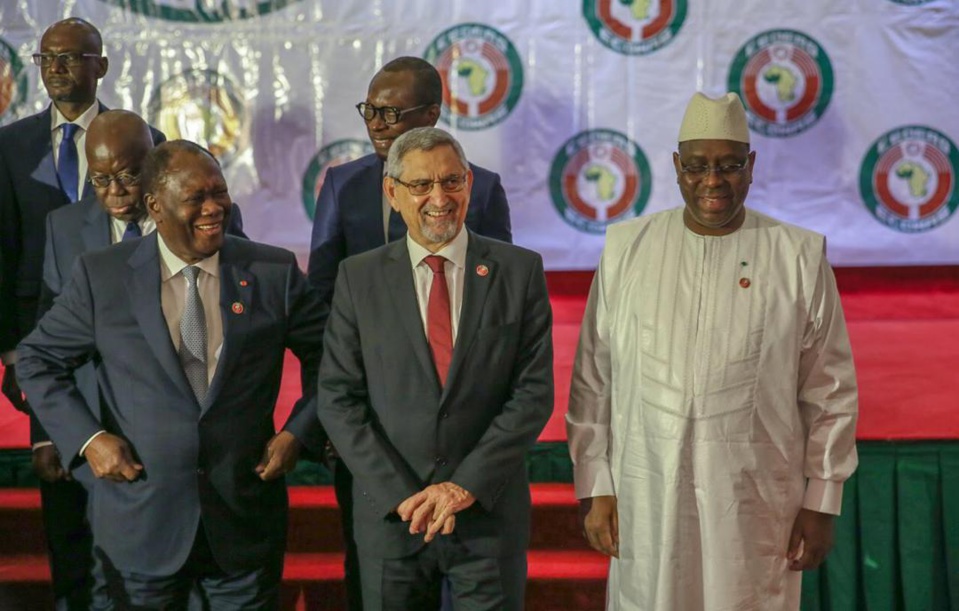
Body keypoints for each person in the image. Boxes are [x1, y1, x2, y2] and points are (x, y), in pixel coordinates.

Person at [566, 92, 859, 610]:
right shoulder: (626, 249)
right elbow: (594, 378)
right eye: (697, 166)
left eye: (728, 165)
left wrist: (823, 502)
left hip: (754, 498)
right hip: (646, 490)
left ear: (752, 167)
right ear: (677, 166)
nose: (712, 181)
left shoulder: (797, 255)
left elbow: (829, 389)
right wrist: (596, 484)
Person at [16, 140, 326, 608]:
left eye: (219, 192)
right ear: (155, 207)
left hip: (243, 522)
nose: (214, 208)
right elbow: (38, 360)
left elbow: (332, 357)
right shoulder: (103, 276)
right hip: (140, 522)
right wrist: (88, 438)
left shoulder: (271, 271)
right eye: (196, 198)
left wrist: (298, 432)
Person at [307, 55, 513, 610]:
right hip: (371, 429)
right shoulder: (342, 184)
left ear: (432, 115)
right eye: (370, 109)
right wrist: (328, 413)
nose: (375, 122)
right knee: (373, 568)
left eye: (390, 112)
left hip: (464, 436)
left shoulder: (482, 190)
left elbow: (499, 316)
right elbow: (321, 306)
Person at [0, 18, 163, 609]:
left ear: (102, 65)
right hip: (47, 349)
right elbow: (5, 254)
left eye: (72, 57)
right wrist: (15, 352)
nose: (58, 68)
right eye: (47, 58)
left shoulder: (150, 140)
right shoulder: (9, 145)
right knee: (68, 523)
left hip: (146, 373)